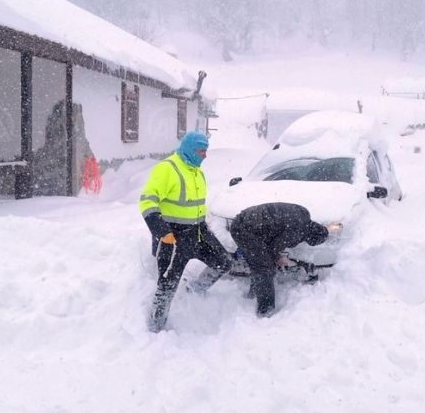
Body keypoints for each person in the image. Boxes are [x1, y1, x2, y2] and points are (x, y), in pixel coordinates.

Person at [139, 131, 232, 332]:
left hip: (198, 233)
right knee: (167, 285)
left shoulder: (197, 172)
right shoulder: (167, 169)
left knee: (224, 262)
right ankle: (155, 327)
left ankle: (195, 290)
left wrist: (203, 228)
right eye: (201, 151)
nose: (205, 155)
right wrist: (161, 231)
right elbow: (147, 201)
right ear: (190, 149)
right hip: (172, 237)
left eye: (206, 151)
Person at [229, 202, 340, 317]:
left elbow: (276, 231)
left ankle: (254, 292)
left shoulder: (303, 213)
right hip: (244, 230)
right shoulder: (298, 232)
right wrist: (278, 258)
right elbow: (272, 248)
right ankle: (265, 311)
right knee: (265, 269)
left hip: (246, 219)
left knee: (259, 261)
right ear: (310, 237)